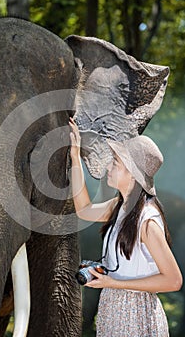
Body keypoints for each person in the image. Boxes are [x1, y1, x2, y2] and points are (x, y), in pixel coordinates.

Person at [69, 117, 183, 337]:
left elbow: (173, 280)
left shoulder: (147, 220)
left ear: (132, 174)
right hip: (113, 309)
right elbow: (84, 210)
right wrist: (75, 157)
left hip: (136, 316)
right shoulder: (119, 206)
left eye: (115, 162)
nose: (108, 167)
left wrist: (113, 282)